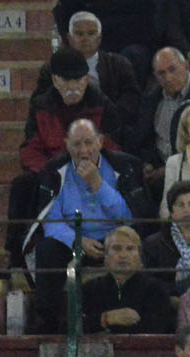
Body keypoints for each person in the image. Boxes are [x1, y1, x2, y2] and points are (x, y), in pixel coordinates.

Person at [29, 120, 153, 334]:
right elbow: (50, 220)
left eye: (89, 143)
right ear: (67, 145)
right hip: (74, 238)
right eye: (76, 144)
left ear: (100, 142)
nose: (83, 150)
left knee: (141, 244)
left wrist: (97, 184)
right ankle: (48, 322)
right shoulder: (54, 171)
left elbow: (129, 216)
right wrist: (77, 241)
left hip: (115, 236)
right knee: (46, 249)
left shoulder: (125, 166)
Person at [9, 47, 125, 262]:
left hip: (93, 170)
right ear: (55, 80)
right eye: (66, 80)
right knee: (22, 185)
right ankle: (17, 254)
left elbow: (112, 148)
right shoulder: (41, 105)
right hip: (51, 171)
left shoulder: (102, 104)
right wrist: (49, 171)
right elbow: (30, 148)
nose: (73, 86)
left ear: (86, 79)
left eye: (79, 80)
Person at [131, 47, 190, 188]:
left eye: (172, 70)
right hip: (158, 175)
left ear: (186, 66)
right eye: (161, 73)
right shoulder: (151, 98)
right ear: (155, 76)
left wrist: (170, 169)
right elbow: (143, 139)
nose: (168, 78)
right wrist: (147, 164)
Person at [33, 11, 142, 128]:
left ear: (99, 38)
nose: (85, 38)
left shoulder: (119, 65)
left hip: (110, 131)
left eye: (91, 33)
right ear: (69, 38)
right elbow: (39, 105)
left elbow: (132, 102)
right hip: (64, 133)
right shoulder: (52, 68)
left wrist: (104, 121)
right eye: (79, 34)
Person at [81, 225, 176, 333]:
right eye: (116, 248)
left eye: (130, 249)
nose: (123, 255)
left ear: (139, 256)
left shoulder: (156, 290)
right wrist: (107, 318)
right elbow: (71, 328)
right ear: (106, 257)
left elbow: (159, 329)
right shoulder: (90, 289)